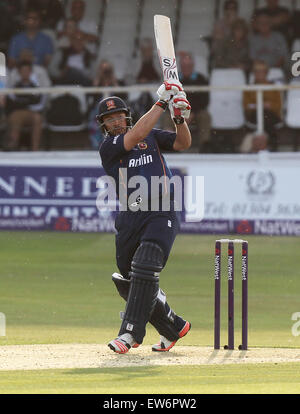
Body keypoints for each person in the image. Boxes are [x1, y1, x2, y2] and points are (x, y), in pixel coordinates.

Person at [97, 83, 192, 354]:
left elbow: (183, 142)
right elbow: (135, 133)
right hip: (130, 216)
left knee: (146, 264)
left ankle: (129, 335)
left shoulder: (150, 137)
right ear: (103, 125)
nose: (115, 122)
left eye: (118, 117)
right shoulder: (109, 147)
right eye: (109, 119)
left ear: (126, 116)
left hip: (161, 210)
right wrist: (161, 103)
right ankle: (173, 325)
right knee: (128, 280)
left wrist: (178, 118)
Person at [243, 60, 282, 152]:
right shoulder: (248, 88)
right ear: (253, 73)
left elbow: (278, 105)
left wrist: (269, 105)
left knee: (267, 116)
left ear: (266, 73)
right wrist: (258, 105)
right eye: (256, 71)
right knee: (263, 116)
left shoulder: (273, 87)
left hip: (271, 115)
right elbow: (246, 106)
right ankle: (271, 145)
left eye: (262, 71)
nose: (259, 73)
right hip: (254, 116)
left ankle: (259, 146)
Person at [5, 61, 45, 151]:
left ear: (30, 73)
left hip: (31, 113)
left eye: (27, 71)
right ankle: (13, 148)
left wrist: (24, 104)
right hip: (17, 113)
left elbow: (39, 105)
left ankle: (35, 149)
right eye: (23, 71)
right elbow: (11, 104)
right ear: (19, 73)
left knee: (38, 118)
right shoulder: (14, 87)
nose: (25, 73)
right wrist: (27, 102)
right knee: (16, 117)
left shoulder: (36, 88)